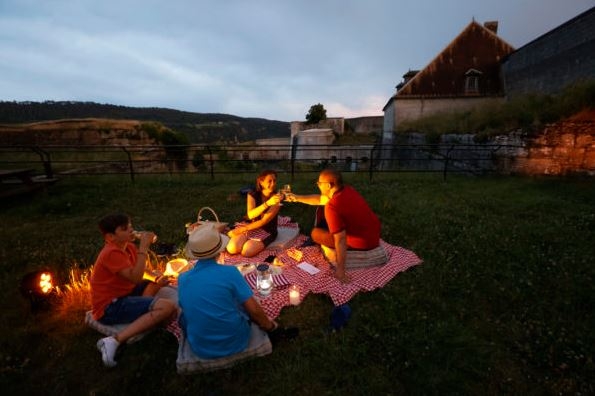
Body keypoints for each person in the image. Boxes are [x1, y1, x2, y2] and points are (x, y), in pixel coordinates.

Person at [179, 224, 283, 365]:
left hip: (200, 348)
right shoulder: (230, 273)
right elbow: (254, 310)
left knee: (184, 317)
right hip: (236, 342)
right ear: (220, 250)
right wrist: (270, 327)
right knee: (242, 304)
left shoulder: (183, 278)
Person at [90, 213, 178, 367]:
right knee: (168, 306)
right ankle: (114, 340)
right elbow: (136, 277)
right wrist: (143, 248)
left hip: (126, 292)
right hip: (110, 306)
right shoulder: (111, 253)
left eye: (131, 227)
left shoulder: (128, 247)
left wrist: (156, 278)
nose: (131, 231)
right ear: (110, 237)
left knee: (157, 283)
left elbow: (138, 271)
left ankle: (145, 310)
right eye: (125, 229)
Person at [286, 169, 381, 283]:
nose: (318, 185)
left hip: (362, 243)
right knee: (324, 217)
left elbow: (340, 239)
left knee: (315, 233)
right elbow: (320, 199)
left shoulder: (332, 206)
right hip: (373, 236)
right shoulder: (348, 190)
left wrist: (340, 270)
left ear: (328, 185)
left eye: (319, 183)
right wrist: (296, 197)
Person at [226, 169, 284, 257]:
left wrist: (241, 230)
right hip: (250, 226)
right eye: (270, 181)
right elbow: (250, 215)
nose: (273, 184)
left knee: (246, 252)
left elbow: (263, 221)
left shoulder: (276, 198)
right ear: (261, 182)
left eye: (274, 181)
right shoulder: (252, 193)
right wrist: (267, 204)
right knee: (232, 248)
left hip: (267, 230)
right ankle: (245, 240)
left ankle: (249, 242)